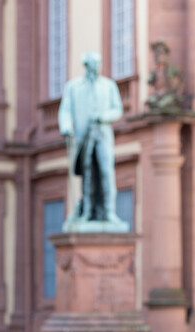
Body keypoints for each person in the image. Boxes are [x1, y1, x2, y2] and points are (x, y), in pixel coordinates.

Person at [58, 51, 127, 232]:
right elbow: (65, 110)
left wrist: (103, 117)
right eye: (93, 64)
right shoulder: (73, 87)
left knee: (106, 172)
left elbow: (117, 109)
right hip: (83, 135)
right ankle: (87, 211)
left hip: (102, 134)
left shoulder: (108, 85)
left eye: (98, 64)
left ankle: (109, 212)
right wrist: (66, 127)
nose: (96, 67)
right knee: (87, 174)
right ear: (86, 65)